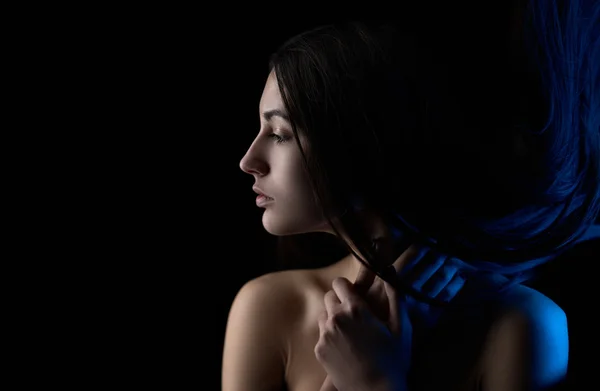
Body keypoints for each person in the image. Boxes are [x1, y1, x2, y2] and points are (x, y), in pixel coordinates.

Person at [223, 1, 600, 390]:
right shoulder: (268, 310)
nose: (248, 160)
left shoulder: (523, 327)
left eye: (280, 134)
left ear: (362, 148)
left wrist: (374, 380)